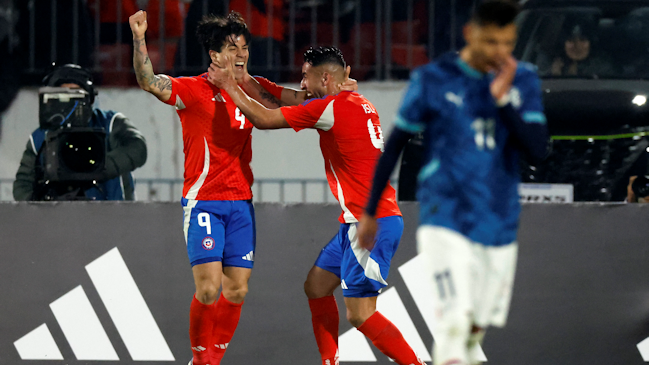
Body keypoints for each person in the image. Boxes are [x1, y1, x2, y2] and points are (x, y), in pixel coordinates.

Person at [129, 10, 356, 365]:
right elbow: (147, 80)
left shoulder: (254, 88)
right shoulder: (193, 89)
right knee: (207, 290)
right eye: (233, 47)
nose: (241, 54)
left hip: (240, 205)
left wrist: (338, 93)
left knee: (236, 291)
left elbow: (301, 101)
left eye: (245, 47)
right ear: (214, 55)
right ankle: (199, 359)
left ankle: (211, 361)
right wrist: (140, 37)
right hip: (204, 202)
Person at [357, 1, 549, 365]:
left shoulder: (521, 79)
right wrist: (370, 211)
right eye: (491, 42)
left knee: (475, 327)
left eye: (507, 43)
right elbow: (395, 143)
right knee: (454, 321)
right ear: (470, 34)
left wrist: (503, 100)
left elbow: (539, 151)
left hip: (497, 220)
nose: (500, 52)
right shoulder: (434, 79)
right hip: (444, 214)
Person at [208, 46, 424, 365]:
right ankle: (329, 361)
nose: (302, 82)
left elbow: (266, 118)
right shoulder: (357, 104)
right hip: (359, 220)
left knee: (361, 315)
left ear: (324, 76)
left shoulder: (332, 108)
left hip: (371, 223)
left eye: (306, 75)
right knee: (317, 286)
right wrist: (245, 79)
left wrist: (229, 86)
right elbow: (288, 97)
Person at [13, 64, 147, 201]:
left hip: (114, 216)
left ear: (89, 98)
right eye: (63, 94)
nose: (71, 101)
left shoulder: (110, 123)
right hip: (59, 218)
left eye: (77, 93)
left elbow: (138, 149)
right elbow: (22, 186)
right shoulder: (40, 137)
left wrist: (96, 168)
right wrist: (42, 203)